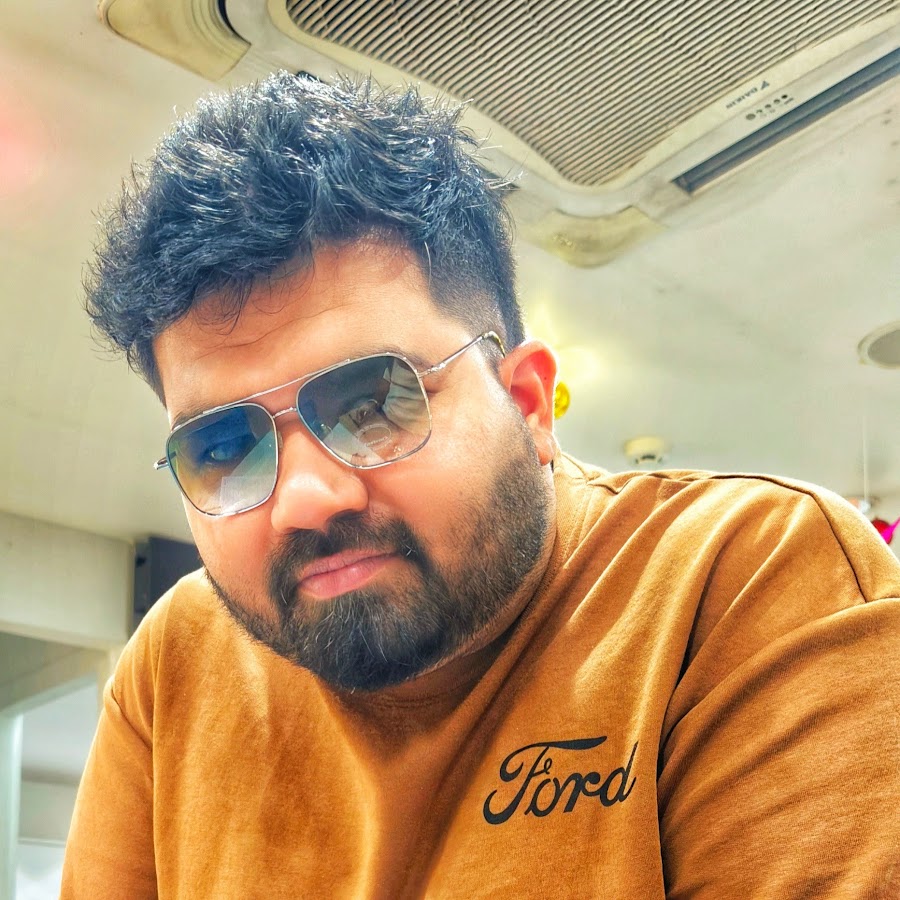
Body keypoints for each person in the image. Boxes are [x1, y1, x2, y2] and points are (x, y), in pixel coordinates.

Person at [62, 73, 899, 899]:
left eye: (373, 402)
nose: (305, 499)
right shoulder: (176, 663)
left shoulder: (746, 579)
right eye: (221, 445)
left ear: (528, 405)